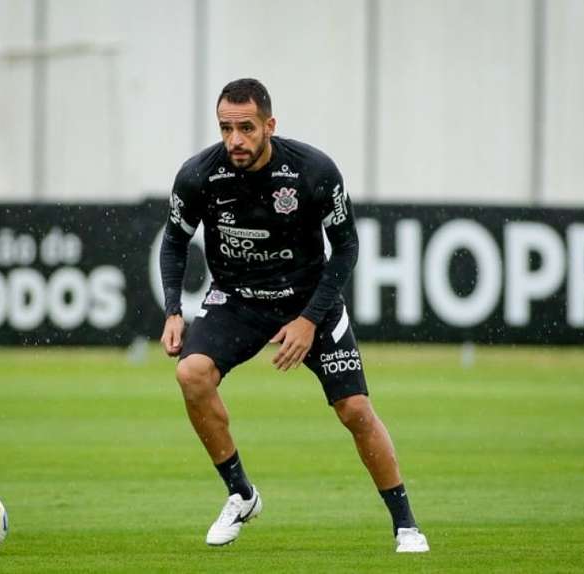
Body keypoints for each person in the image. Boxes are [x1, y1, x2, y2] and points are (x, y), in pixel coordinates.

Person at [159, 78, 429, 553]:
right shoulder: (198, 175)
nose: (235, 140)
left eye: (246, 127)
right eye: (226, 128)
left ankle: (406, 524)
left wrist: (308, 319)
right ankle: (241, 494)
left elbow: (346, 247)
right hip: (237, 299)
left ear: (270, 124)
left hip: (309, 301)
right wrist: (173, 311)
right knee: (191, 374)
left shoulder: (313, 171)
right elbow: (175, 240)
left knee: (355, 409)